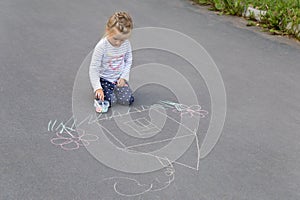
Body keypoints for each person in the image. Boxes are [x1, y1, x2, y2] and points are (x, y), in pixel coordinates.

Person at [89, 11, 134, 110]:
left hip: (118, 80)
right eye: (115, 39)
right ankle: (100, 94)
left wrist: (123, 78)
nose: (118, 43)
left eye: (122, 40)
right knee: (110, 101)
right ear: (108, 30)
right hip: (104, 79)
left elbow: (128, 60)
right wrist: (97, 87)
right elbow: (94, 68)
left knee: (128, 100)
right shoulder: (102, 46)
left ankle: (114, 91)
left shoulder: (126, 44)